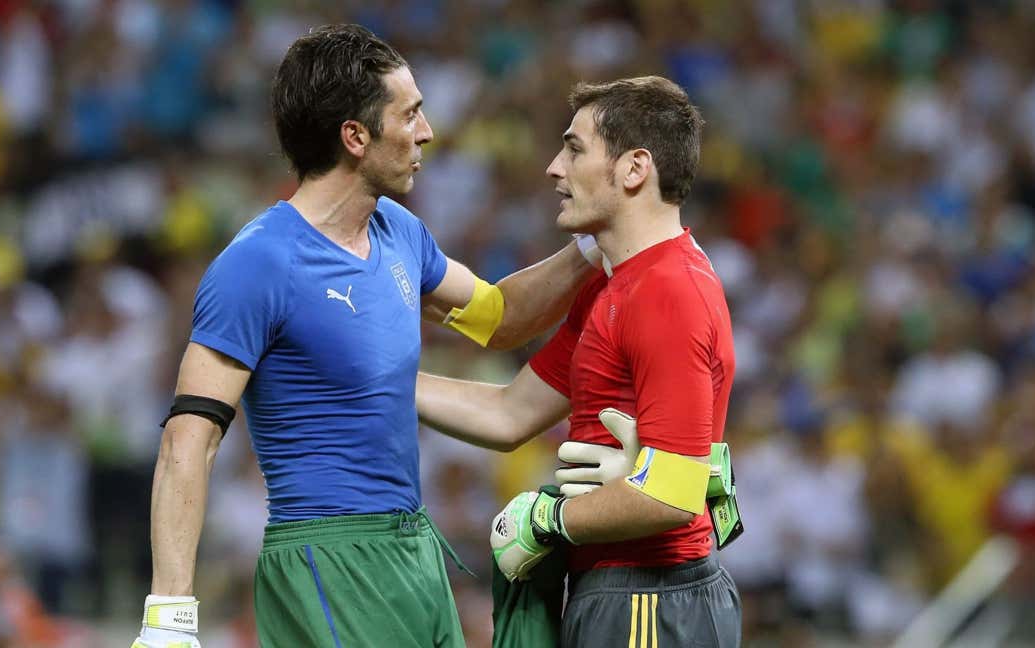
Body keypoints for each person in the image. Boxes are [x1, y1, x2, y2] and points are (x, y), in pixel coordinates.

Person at [130, 24, 600, 648]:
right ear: (355, 137)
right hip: (329, 558)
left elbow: (500, 316)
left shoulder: (399, 232)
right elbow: (187, 443)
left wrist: (594, 246)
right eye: (410, 114)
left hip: (415, 549)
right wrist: (170, 614)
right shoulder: (260, 263)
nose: (426, 132)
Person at [417, 76, 742, 647]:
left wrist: (549, 521)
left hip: (652, 598)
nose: (553, 167)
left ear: (635, 168)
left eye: (573, 148)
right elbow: (509, 414)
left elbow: (673, 493)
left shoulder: (668, 290)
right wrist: (373, 382)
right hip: (617, 589)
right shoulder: (612, 289)